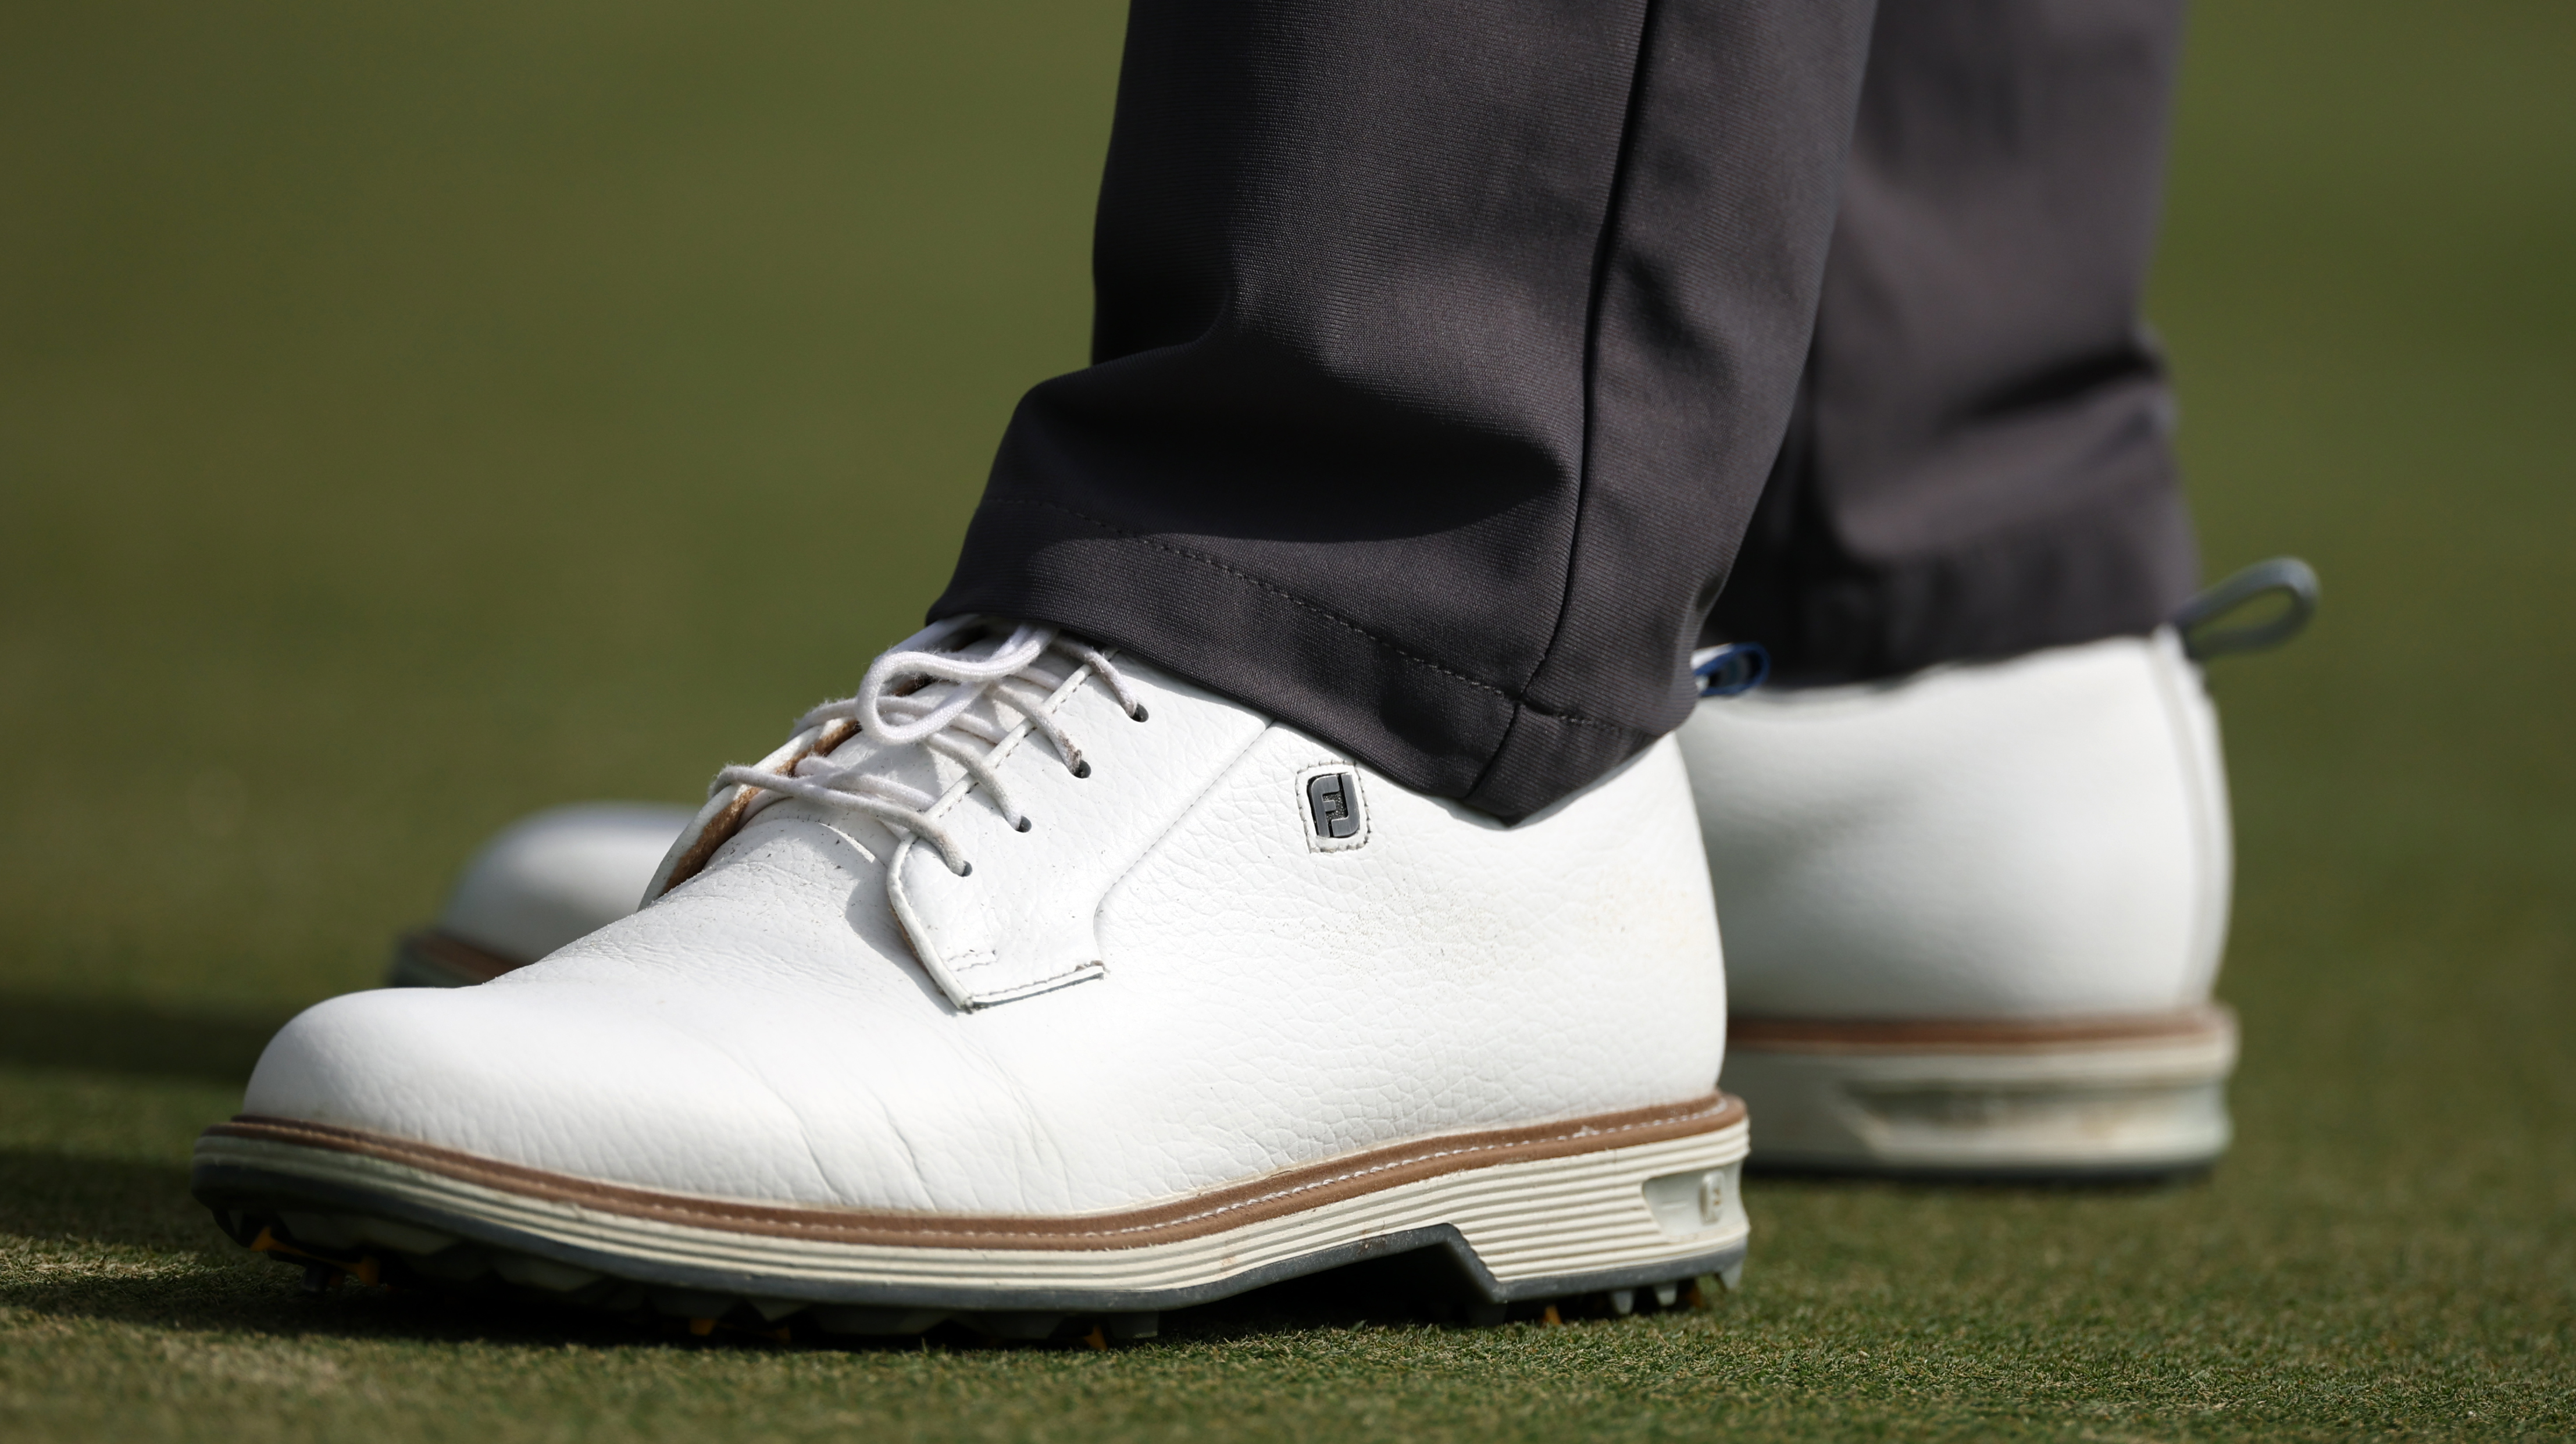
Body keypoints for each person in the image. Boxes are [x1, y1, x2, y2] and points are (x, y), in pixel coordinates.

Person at [195, 0, 2307, 1338]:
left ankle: (1379, 631)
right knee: (1858, 543)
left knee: (1414, 570)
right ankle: (1885, 592)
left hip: (1450, 686)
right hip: (1882, 590)